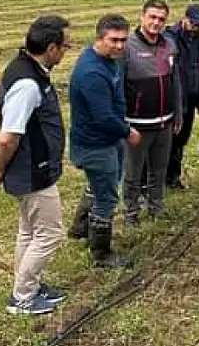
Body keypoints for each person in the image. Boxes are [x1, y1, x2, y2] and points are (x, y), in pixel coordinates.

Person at [0, 15, 72, 315]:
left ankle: (28, 287)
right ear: (50, 48)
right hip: (34, 170)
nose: (65, 52)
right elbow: (7, 137)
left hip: (30, 168)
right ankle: (23, 297)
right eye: (65, 46)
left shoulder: (25, 68)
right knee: (50, 233)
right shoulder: (27, 83)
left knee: (29, 231)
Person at [68, 14, 139, 269]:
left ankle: (80, 227)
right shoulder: (91, 72)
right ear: (100, 37)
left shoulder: (108, 60)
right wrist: (127, 131)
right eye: (114, 40)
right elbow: (103, 116)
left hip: (107, 140)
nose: (119, 46)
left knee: (100, 183)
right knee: (106, 197)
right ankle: (101, 252)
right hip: (96, 143)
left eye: (123, 40)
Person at [122, 0, 183, 226]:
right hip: (137, 124)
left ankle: (156, 206)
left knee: (159, 169)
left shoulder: (169, 45)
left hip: (165, 122)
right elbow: (118, 87)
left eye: (161, 19)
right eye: (152, 17)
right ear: (142, 16)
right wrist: (123, 123)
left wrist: (178, 113)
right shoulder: (127, 47)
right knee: (133, 172)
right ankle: (131, 212)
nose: (156, 22)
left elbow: (175, 81)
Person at [162, 4, 199, 188]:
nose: (197, 28)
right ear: (184, 19)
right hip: (174, 99)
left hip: (190, 98)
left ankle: (173, 177)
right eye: (194, 23)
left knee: (181, 140)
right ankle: (158, 179)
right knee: (168, 141)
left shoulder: (198, 39)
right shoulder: (170, 38)